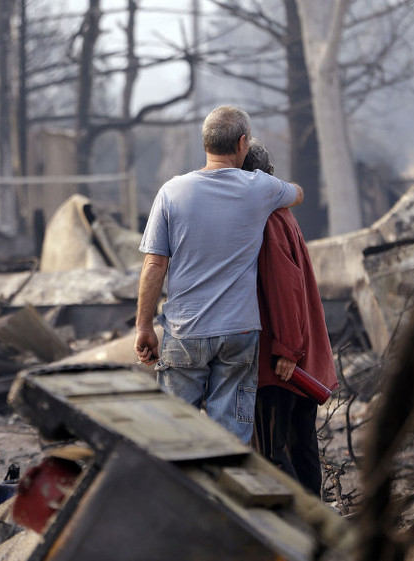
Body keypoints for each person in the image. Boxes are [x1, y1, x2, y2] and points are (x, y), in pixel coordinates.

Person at [134, 106, 304, 442]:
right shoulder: (261, 188)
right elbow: (298, 193)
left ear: (205, 143)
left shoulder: (172, 192)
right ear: (243, 143)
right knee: (230, 439)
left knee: (174, 437)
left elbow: (154, 265)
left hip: (186, 331)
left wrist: (143, 326)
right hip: (240, 334)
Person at [242, 139, 337, 496]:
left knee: (271, 454)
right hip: (301, 360)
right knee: (302, 450)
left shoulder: (265, 220)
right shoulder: (284, 215)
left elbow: (285, 288)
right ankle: (320, 533)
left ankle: (301, 534)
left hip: (281, 364)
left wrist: (285, 349)